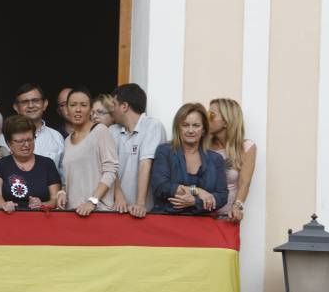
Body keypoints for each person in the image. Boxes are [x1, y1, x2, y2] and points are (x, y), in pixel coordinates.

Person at [151, 102, 228, 215]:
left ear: (203, 130)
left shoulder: (216, 159)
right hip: (167, 222)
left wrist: (195, 202)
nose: (190, 130)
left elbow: (222, 196)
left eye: (196, 125)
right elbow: (160, 187)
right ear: (178, 128)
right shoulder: (165, 151)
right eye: (185, 125)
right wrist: (197, 191)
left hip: (202, 225)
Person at [56, 88, 119, 216]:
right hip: (74, 212)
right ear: (66, 110)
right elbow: (70, 178)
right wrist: (62, 192)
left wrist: (92, 201)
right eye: (73, 105)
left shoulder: (100, 131)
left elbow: (110, 171)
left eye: (83, 105)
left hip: (98, 212)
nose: (78, 109)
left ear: (90, 110)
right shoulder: (67, 140)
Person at [110, 83, 167, 218]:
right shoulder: (112, 131)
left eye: (114, 105)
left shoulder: (153, 126)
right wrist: (119, 196)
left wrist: (140, 203)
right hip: (116, 210)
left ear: (124, 106)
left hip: (145, 213)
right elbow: (110, 166)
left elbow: (145, 164)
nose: (111, 110)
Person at [0, 115, 61, 212]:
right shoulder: (0, 165)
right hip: (9, 219)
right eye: (20, 141)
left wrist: (41, 205)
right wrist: (4, 206)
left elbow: (55, 199)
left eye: (30, 139)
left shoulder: (47, 164)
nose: (26, 145)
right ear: (9, 143)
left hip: (41, 220)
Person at [207, 98, 256, 220]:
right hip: (202, 216)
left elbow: (244, 183)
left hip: (227, 218)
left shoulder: (246, 147)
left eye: (211, 115)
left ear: (226, 121)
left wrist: (237, 207)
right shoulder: (203, 146)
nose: (206, 118)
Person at [2, 83, 64, 169]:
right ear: (16, 107)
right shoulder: (2, 139)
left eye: (35, 101)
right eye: (25, 102)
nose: (31, 105)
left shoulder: (57, 137)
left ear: (45, 104)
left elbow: (63, 175)